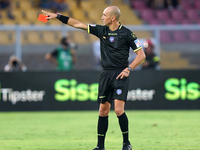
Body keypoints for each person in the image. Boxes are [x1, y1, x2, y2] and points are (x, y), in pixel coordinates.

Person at [42, 5, 145, 150]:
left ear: (112, 18)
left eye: (104, 15)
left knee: (118, 110)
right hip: (106, 74)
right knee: (103, 111)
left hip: (120, 74)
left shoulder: (128, 34)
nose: (102, 17)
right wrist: (58, 16)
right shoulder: (101, 30)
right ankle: (100, 146)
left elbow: (142, 55)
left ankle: (126, 143)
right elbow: (78, 24)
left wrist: (129, 69)